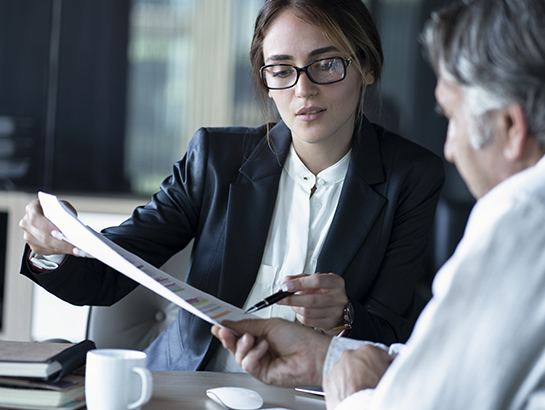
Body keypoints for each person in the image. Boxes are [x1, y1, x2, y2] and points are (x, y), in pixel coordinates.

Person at [19, 0, 444, 372]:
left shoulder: (411, 176)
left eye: (327, 64)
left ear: (367, 67)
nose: (304, 89)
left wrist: (344, 315)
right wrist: (51, 247)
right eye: (282, 70)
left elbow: (394, 333)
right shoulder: (215, 158)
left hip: (316, 395)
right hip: (190, 387)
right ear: (266, 80)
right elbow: (106, 276)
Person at [212, 0, 545, 408]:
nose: (451, 148)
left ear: (511, 127)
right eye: (281, 70)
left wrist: (349, 390)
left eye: (454, 118)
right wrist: (324, 359)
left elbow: (431, 399)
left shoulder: (521, 218)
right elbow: (446, 365)